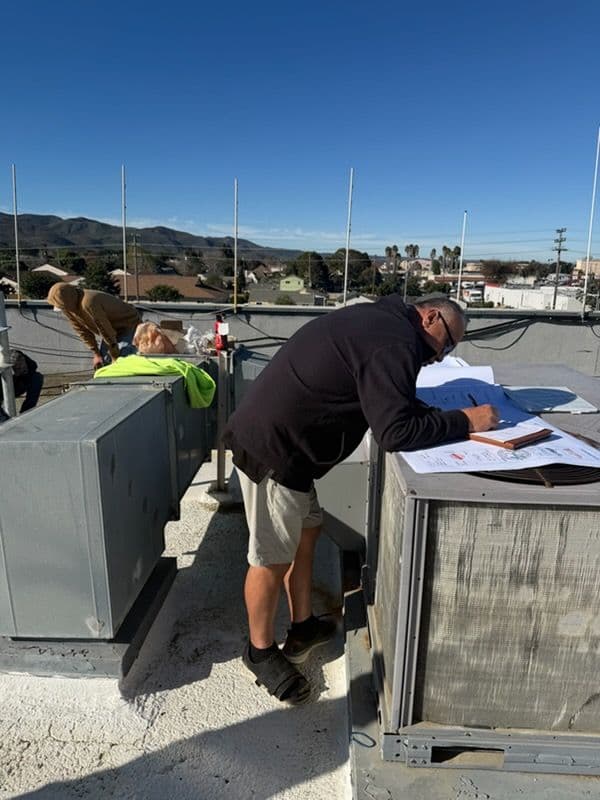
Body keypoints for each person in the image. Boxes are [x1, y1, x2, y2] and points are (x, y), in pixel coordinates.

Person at [223, 295, 499, 705]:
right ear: (430, 316)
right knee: (270, 558)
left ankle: (302, 627)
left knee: (308, 531)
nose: (441, 358)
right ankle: (259, 652)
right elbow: (395, 432)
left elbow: (386, 394)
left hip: (293, 450)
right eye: (446, 345)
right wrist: (465, 421)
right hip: (274, 453)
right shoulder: (398, 343)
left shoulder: (386, 320)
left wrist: (421, 408)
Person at [47, 282, 141, 370]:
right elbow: (81, 331)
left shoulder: (88, 303)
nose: (62, 309)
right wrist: (96, 354)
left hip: (128, 325)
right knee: (105, 362)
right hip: (111, 331)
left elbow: (105, 330)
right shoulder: (69, 308)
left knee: (123, 361)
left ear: (69, 299)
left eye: (62, 306)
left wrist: (114, 356)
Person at [0, 349, 44, 422]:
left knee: (36, 378)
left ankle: (25, 416)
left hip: (16, 384)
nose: (19, 368)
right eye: (17, 367)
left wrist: (22, 371)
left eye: (20, 366)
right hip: (2, 388)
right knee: (5, 422)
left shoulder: (19, 358)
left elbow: (32, 366)